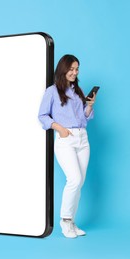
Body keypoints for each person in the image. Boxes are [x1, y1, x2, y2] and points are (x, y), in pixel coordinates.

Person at [38, 54, 96, 238]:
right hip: (66, 140)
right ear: (63, 69)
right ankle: (64, 221)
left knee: (79, 183)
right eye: (71, 69)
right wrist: (60, 128)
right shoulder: (52, 91)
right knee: (74, 179)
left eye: (77, 69)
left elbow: (84, 119)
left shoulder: (78, 90)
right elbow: (42, 116)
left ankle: (71, 222)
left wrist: (89, 106)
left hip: (82, 139)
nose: (74, 72)